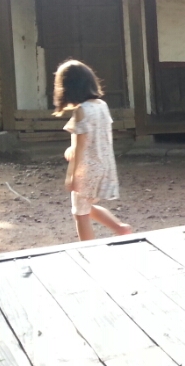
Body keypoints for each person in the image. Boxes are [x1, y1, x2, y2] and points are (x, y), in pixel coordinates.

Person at [53, 59, 132, 241]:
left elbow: (80, 148)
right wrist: (72, 148)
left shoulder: (81, 111)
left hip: (86, 170)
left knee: (80, 214)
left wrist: (71, 176)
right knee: (85, 207)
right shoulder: (101, 105)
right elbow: (95, 136)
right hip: (103, 165)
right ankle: (120, 228)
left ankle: (88, 248)